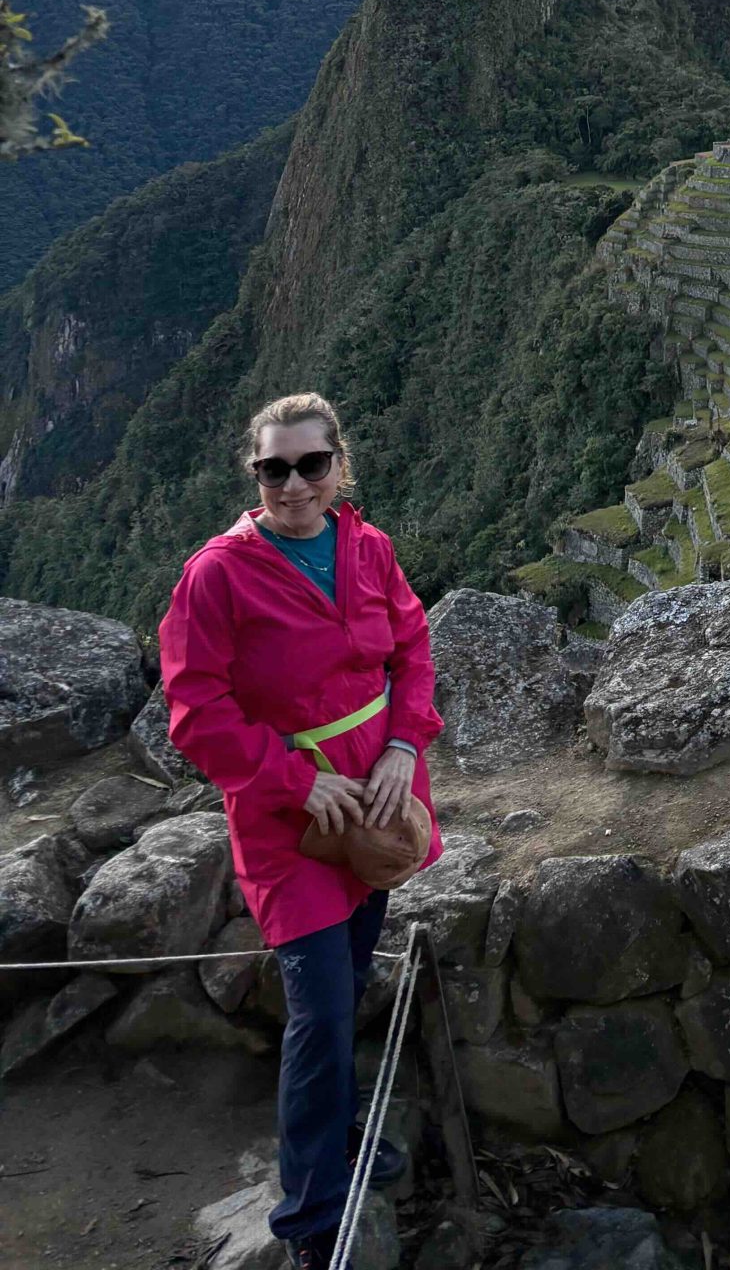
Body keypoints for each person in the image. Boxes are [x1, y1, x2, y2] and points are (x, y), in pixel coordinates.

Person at [159, 394, 443, 1270]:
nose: (292, 484)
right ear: (256, 476)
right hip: (291, 820)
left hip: (377, 800)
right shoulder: (218, 574)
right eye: (273, 468)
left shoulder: (368, 548)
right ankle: (313, 1218)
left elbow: (412, 648)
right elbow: (193, 707)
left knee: (352, 975)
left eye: (310, 465)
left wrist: (404, 743)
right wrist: (294, 779)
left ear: (338, 467)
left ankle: (345, 1136)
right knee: (319, 1009)